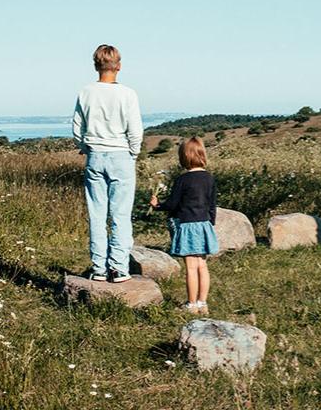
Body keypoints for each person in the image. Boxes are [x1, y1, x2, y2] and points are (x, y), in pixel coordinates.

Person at [72, 44, 143, 283]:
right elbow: (135, 130)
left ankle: (98, 268)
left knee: (97, 215)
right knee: (120, 215)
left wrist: (86, 148)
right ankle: (119, 268)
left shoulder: (86, 92)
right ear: (119, 66)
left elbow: (76, 128)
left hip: (95, 156)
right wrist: (133, 153)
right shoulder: (128, 94)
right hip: (121, 155)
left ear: (95, 66)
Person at [150, 137, 218, 314]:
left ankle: (191, 304)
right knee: (202, 266)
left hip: (188, 226)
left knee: (190, 267)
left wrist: (158, 205)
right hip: (204, 225)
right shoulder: (209, 178)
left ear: (184, 157)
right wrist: (210, 224)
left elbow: (173, 204)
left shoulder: (182, 180)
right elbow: (212, 205)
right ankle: (203, 303)